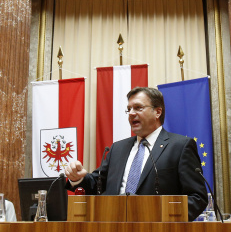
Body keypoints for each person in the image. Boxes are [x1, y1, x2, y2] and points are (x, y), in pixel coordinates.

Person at [64, 87, 208, 221]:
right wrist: (77, 179)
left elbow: (197, 198)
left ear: (157, 112)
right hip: (111, 231)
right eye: (129, 109)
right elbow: (97, 186)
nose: (132, 113)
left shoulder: (180, 146)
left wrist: (156, 214)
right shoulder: (117, 148)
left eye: (138, 108)